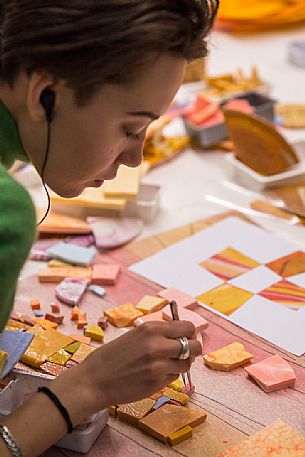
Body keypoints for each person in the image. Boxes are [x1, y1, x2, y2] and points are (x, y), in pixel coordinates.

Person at [0, 1, 218, 455]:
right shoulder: (7, 212)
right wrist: (87, 386)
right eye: (130, 127)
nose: (135, 157)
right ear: (45, 94)